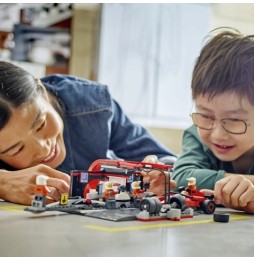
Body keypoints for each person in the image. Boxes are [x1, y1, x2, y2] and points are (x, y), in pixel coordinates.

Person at [0, 61, 176, 205]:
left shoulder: (92, 105)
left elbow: (170, 161)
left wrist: (159, 174)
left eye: (40, 124)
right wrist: (3, 182)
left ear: (43, 91)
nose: (43, 148)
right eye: (16, 149)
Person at [172, 28, 254, 214]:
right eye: (206, 116)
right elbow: (183, 177)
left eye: (233, 120)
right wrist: (239, 185)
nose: (217, 134)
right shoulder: (196, 134)